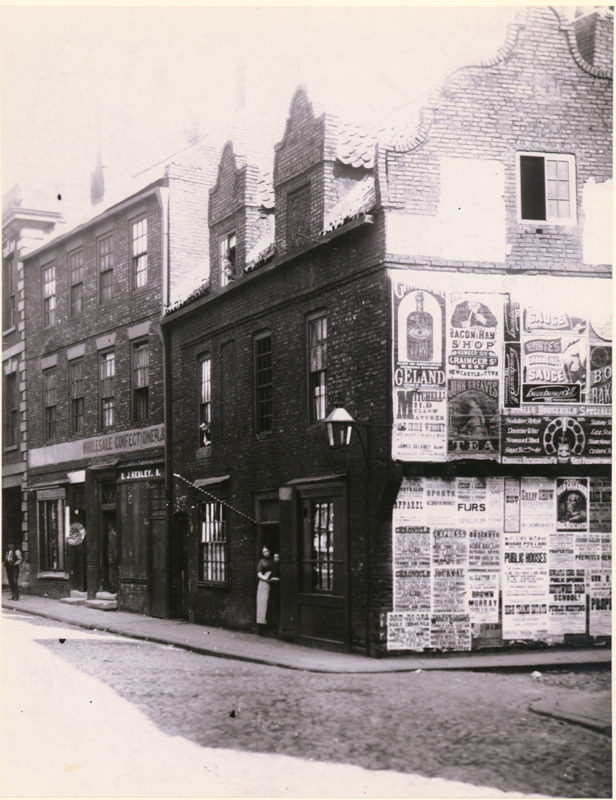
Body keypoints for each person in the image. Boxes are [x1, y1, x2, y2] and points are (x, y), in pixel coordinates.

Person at [256, 546, 274, 629]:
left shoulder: (273, 560)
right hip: (264, 583)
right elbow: (259, 573)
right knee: (262, 601)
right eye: (263, 552)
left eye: (266, 551)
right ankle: (262, 621)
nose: (265, 553)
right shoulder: (262, 561)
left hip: (273, 583)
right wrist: (265, 578)